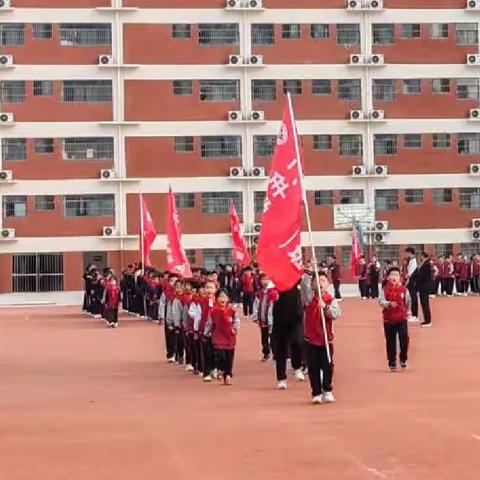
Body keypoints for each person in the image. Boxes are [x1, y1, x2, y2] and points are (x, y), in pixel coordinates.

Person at [302, 271, 341, 404]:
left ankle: (327, 390)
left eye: (323, 280)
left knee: (327, 366)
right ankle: (316, 393)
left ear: (328, 284)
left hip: (325, 340)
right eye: (317, 280)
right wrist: (308, 273)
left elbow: (336, 314)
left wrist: (326, 307)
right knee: (313, 367)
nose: (320, 283)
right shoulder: (308, 299)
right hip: (311, 340)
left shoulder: (331, 300)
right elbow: (304, 286)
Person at [272, 281, 305, 390]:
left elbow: (306, 280)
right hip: (280, 315)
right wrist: (273, 294)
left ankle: (297, 367)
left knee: (297, 341)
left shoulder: (295, 274)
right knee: (281, 346)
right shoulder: (274, 278)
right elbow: (270, 294)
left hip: (296, 314)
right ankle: (281, 378)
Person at [204, 289, 240, 386]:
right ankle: (222, 370)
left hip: (230, 338)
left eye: (224, 296)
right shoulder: (213, 311)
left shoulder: (232, 311)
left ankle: (227, 375)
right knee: (221, 356)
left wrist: (235, 329)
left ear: (228, 299)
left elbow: (237, 321)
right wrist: (206, 334)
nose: (222, 299)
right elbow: (209, 323)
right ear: (216, 299)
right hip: (218, 337)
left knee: (229, 358)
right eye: (220, 297)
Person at [379, 267, 412, 372]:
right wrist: (388, 304)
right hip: (389, 320)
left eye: (397, 275)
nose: (394, 277)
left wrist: (407, 312)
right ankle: (392, 362)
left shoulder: (404, 290)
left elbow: (408, 302)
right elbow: (381, 301)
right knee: (390, 342)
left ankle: (403, 359)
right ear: (388, 277)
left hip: (401, 319)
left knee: (404, 339)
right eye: (392, 275)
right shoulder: (384, 290)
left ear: (400, 278)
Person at [191, 280, 217, 381]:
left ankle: (214, 368)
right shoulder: (201, 302)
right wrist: (196, 330)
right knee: (205, 351)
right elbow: (197, 316)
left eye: (211, 287)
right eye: (207, 287)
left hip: (216, 331)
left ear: (215, 289)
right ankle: (206, 373)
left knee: (215, 351)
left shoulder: (219, 301)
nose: (209, 289)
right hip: (204, 330)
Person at [252, 274, 278, 362]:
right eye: (263, 279)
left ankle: (275, 354)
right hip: (263, 319)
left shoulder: (274, 292)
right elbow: (255, 305)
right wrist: (255, 317)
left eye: (267, 279)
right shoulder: (258, 293)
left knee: (273, 337)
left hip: (272, 319)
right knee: (264, 337)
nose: (265, 281)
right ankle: (266, 353)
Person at [159, 273, 180, 363]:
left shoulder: (180, 293)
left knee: (178, 337)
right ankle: (171, 354)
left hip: (178, 319)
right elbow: (162, 304)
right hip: (169, 318)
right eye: (171, 281)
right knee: (169, 336)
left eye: (176, 281)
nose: (173, 283)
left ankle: (179, 354)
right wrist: (161, 317)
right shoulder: (166, 293)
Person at [416, 252, 433, 327]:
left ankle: (428, 320)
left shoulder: (427, 264)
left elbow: (424, 276)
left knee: (425, 304)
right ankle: (426, 319)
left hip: (425, 286)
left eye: (420, 256)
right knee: (423, 303)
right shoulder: (423, 264)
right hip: (422, 286)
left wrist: (417, 278)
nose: (419, 258)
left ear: (423, 256)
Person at [404, 247, 418, 323]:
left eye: (406, 253)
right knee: (411, 297)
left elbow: (411, 273)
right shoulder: (411, 261)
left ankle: (414, 315)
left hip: (412, 281)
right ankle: (412, 313)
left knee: (413, 298)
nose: (406, 255)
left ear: (410, 253)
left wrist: (407, 278)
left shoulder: (413, 261)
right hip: (410, 281)